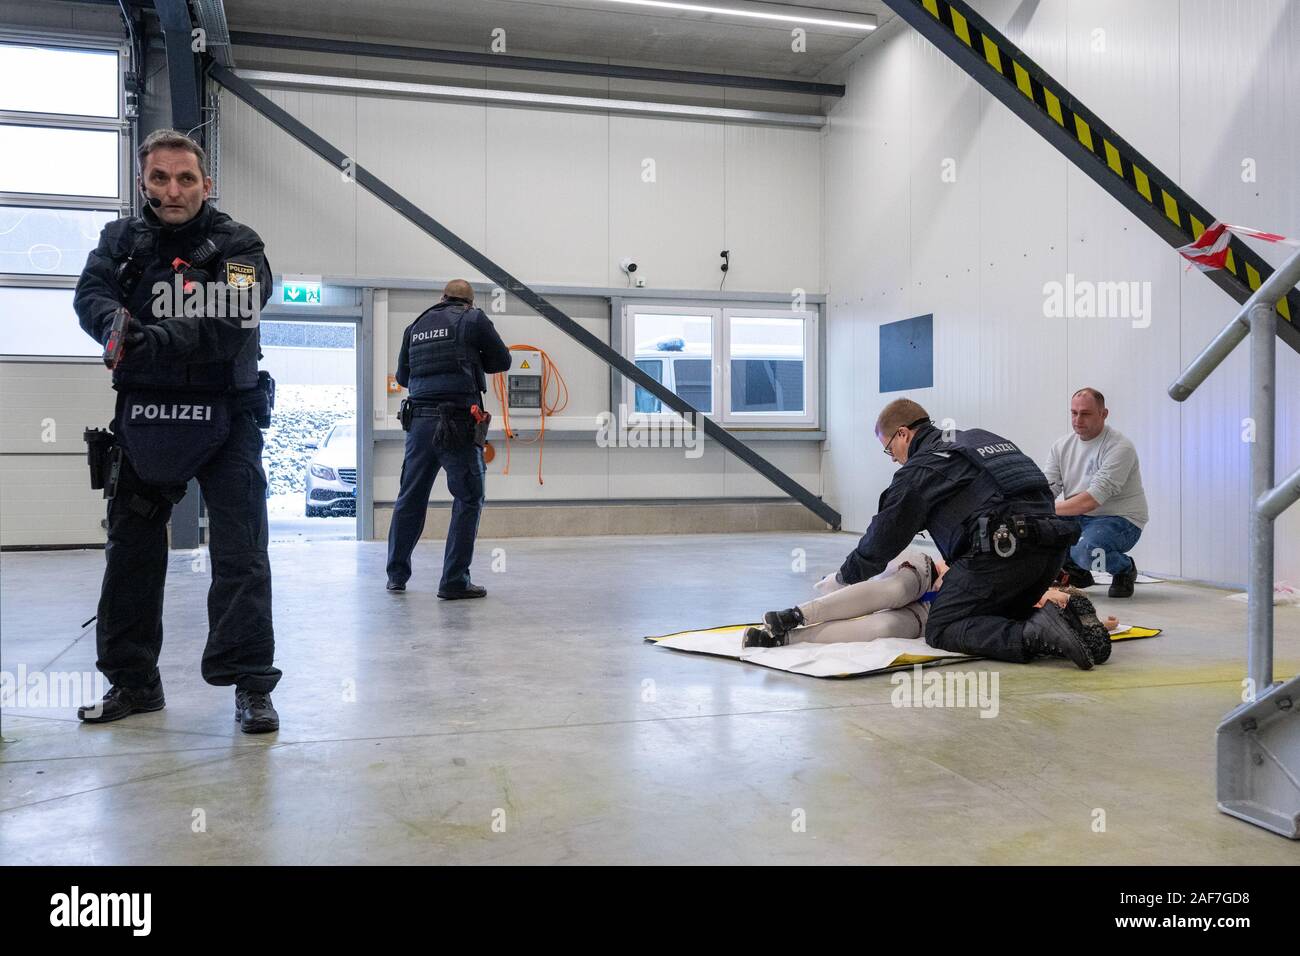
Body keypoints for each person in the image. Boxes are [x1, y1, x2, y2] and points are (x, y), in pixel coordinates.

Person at [72, 128, 279, 732]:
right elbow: (90, 294)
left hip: (228, 416)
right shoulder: (120, 240)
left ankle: (251, 686)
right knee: (131, 553)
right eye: (159, 178)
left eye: (186, 178)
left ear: (206, 184)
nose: (173, 189)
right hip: (143, 417)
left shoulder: (240, 245)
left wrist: (150, 339)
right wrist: (112, 322)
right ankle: (133, 684)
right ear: (143, 182)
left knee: (241, 555)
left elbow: (235, 318)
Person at [798, 398, 1110, 669]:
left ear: (903, 434)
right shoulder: (981, 439)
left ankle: (1033, 635)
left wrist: (843, 578)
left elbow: (883, 538)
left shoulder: (922, 468)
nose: (893, 458)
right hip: (1051, 553)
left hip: (1003, 555)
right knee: (993, 612)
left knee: (943, 626)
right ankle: (1066, 620)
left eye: (889, 449)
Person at [386, 280, 512, 597]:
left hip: (419, 423)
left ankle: (396, 576)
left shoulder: (415, 325)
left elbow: (403, 377)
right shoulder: (474, 319)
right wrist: (472, 358)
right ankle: (454, 581)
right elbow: (502, 360)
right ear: (468, 302)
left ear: (442, 298)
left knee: (410, 498)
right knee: (468, 498)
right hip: (457, 422)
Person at [745, 549, 1117, 648]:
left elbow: (1078, 619)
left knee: (884, 627)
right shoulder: (1016, 568)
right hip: (927, 573)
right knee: (893, 591)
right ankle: (795, 614)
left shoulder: (1034, 611)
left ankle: (784, 638)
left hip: (931, 614)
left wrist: (1099, 624)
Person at [1045, 388, 1149, 598]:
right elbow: (1048, 488)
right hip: (1079, 516)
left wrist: (1043, 508)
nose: (1077, 419)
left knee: (1086, 551)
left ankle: (1124, 569)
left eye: (1085, 413)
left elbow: (1091, 500)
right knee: (1037, 532)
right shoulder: (1061, 446)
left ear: (1104, 414)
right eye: (1074, 413)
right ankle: (1077, 572)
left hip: (1119, 520)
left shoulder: (1120, 447)